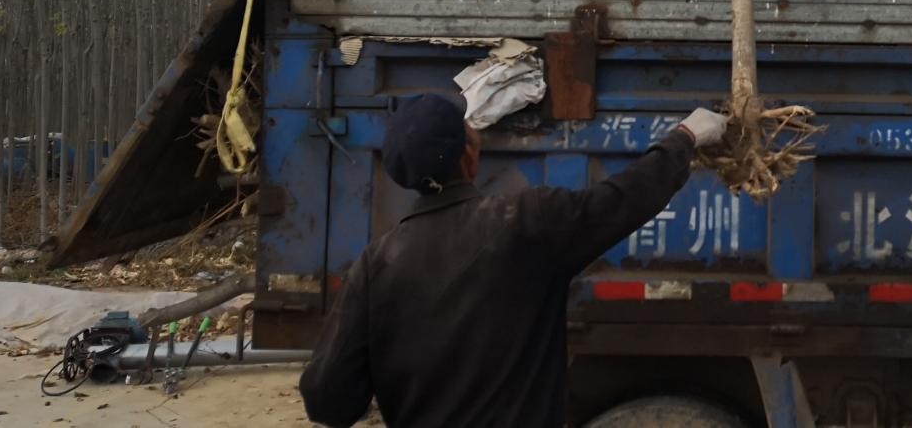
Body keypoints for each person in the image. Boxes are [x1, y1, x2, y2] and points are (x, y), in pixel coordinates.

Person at [298, 93, 729, 427]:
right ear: (470, 154)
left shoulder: (375, 266)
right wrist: (684, 139)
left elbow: (326, 399)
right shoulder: (525, 225)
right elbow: (623, 199)